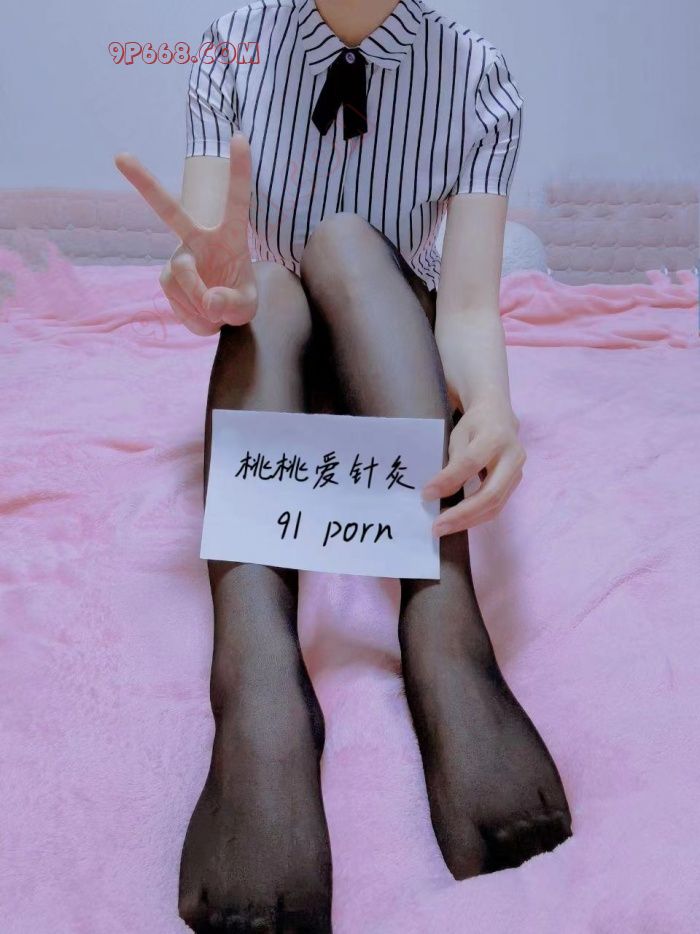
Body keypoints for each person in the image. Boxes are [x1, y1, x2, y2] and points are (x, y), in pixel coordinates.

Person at [115, 0, 572, 930]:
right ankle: (257, 689)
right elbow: (214, 262)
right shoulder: (232, 45)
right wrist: (204, 289)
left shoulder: (477, 78)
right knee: (272, 285)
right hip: (269, 358)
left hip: (393, 359)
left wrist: (490, 405)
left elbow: (467, 309)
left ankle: (444, 630)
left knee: (342, 240)